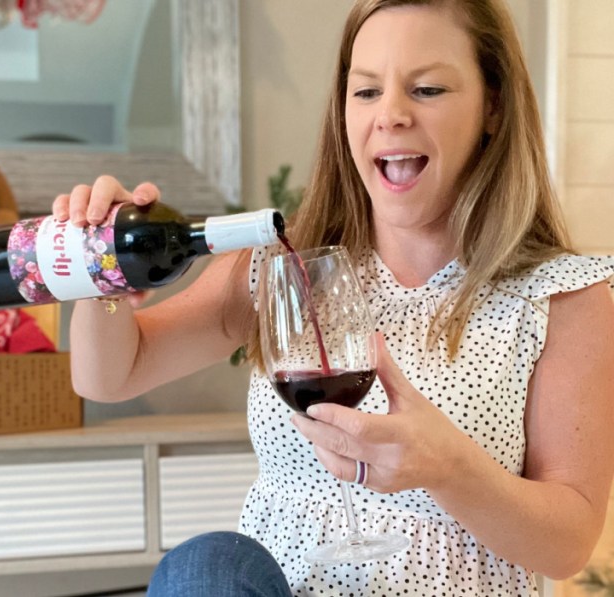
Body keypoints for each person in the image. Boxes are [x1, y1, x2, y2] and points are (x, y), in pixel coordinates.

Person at [50, 0, 614, 595]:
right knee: (205, 565)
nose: (390, 115)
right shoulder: (280, 263)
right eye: (366, 92)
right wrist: (100, 269)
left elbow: (568, 544)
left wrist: (447, 465)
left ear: (492, 107)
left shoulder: (562, 297)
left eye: (426, 89)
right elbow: (109, 376)